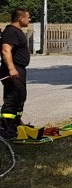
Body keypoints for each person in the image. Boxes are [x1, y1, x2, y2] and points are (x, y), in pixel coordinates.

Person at [1, 8, 32, 140]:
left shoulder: (17, 31)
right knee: (12, 97)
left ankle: (16, 123)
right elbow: (5, 51)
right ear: (21, 18)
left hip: (20, 69)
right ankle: (5, 127)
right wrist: (12, 68)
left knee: (20, 96)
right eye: (28, 17)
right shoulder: (11, 32)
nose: (29, 19)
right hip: (13, 69)